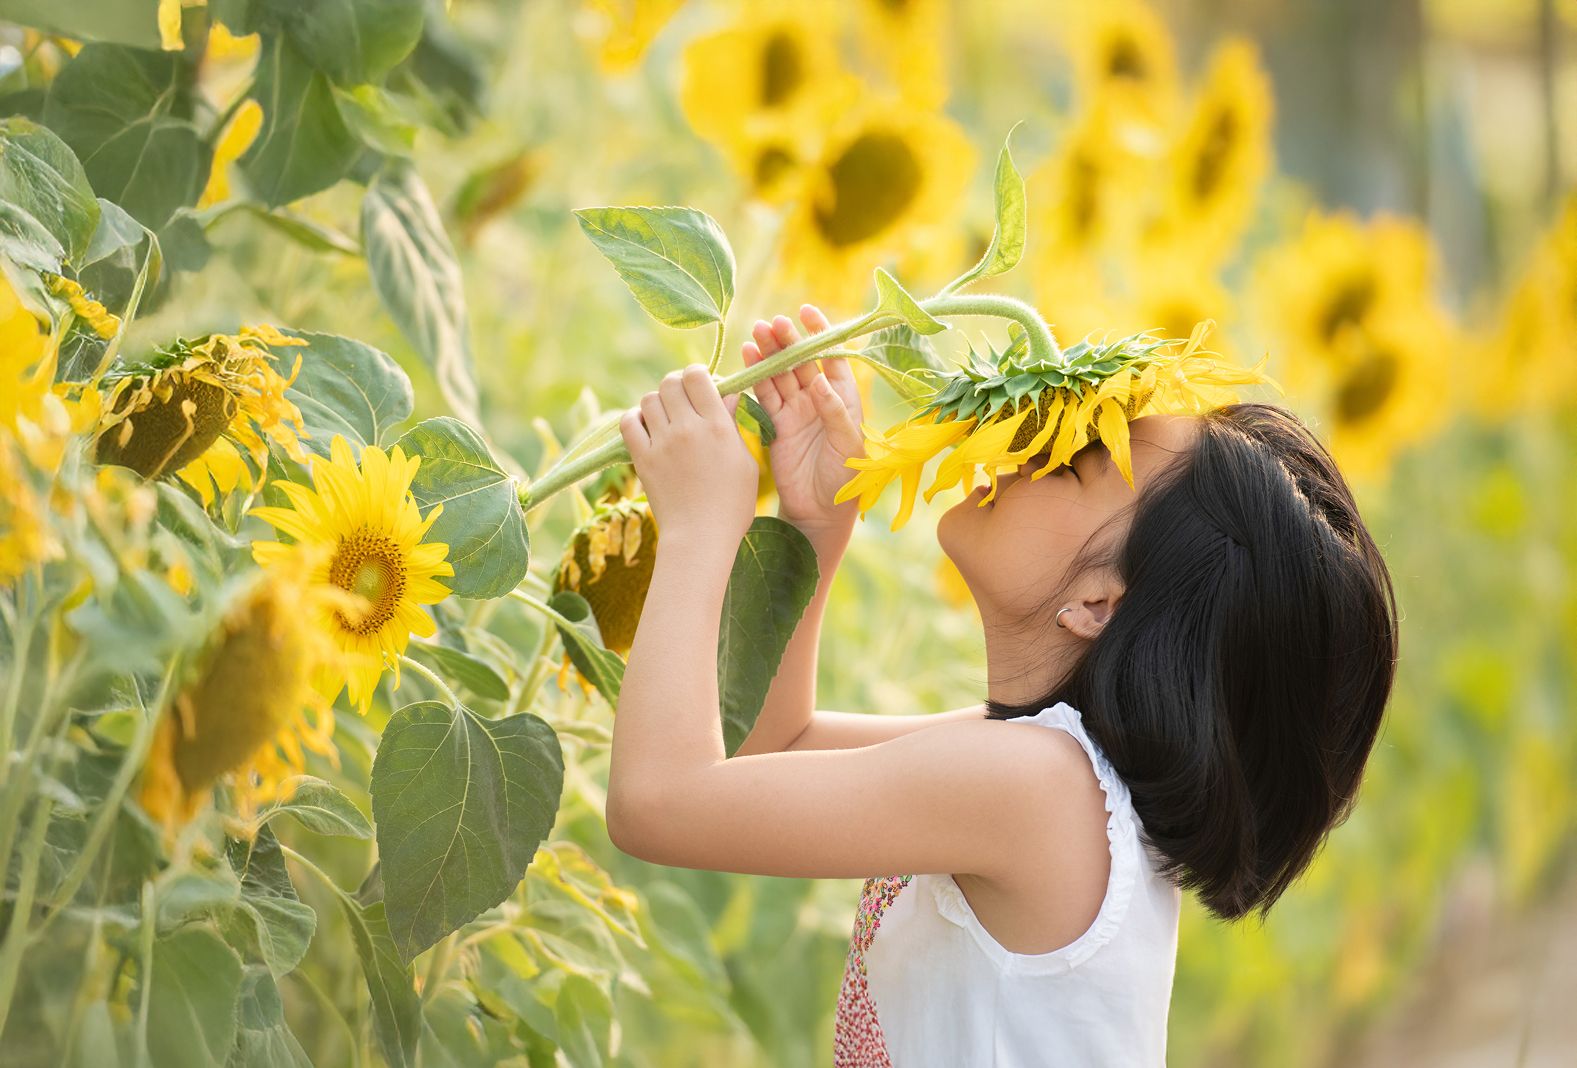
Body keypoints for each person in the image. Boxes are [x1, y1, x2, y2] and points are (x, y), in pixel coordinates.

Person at [608, 304, 1399, 1067]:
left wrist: (697, 528)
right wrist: (817, 525)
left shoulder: (1037, 788)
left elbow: (658, 803)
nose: (1024, 447)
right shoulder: (1045, 772)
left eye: (1071, 462)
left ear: (1097, 602)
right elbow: (777, 749)